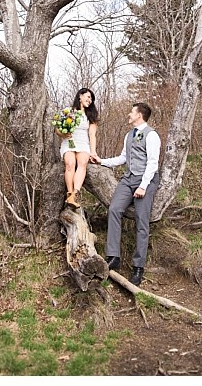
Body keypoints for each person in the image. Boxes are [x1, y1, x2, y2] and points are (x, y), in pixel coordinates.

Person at [91, 103, 160, 286]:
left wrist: (143, 186)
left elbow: (153, 163)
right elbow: (123, 158)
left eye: (132, 112)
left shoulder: (152, 135)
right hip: (128, 179)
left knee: (141, 220)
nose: (129, 114)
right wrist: (102, 161)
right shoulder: (129, 135)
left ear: (140, 115)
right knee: (114, 209)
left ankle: (138, 267)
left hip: (146, 179)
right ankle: (113, 256)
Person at [56, 88, 99, 210]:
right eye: (88, 97)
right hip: (69, 142)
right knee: (70, 163)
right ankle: (69, 194)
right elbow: (57, 129)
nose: (90, 100)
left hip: (83, 143)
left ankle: (75, 193)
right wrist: (63, 134)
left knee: (82, 163)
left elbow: (92, 135)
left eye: (91, 99)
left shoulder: (91, 115)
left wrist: (93, 151)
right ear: (80, 96)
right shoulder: (68, 111)